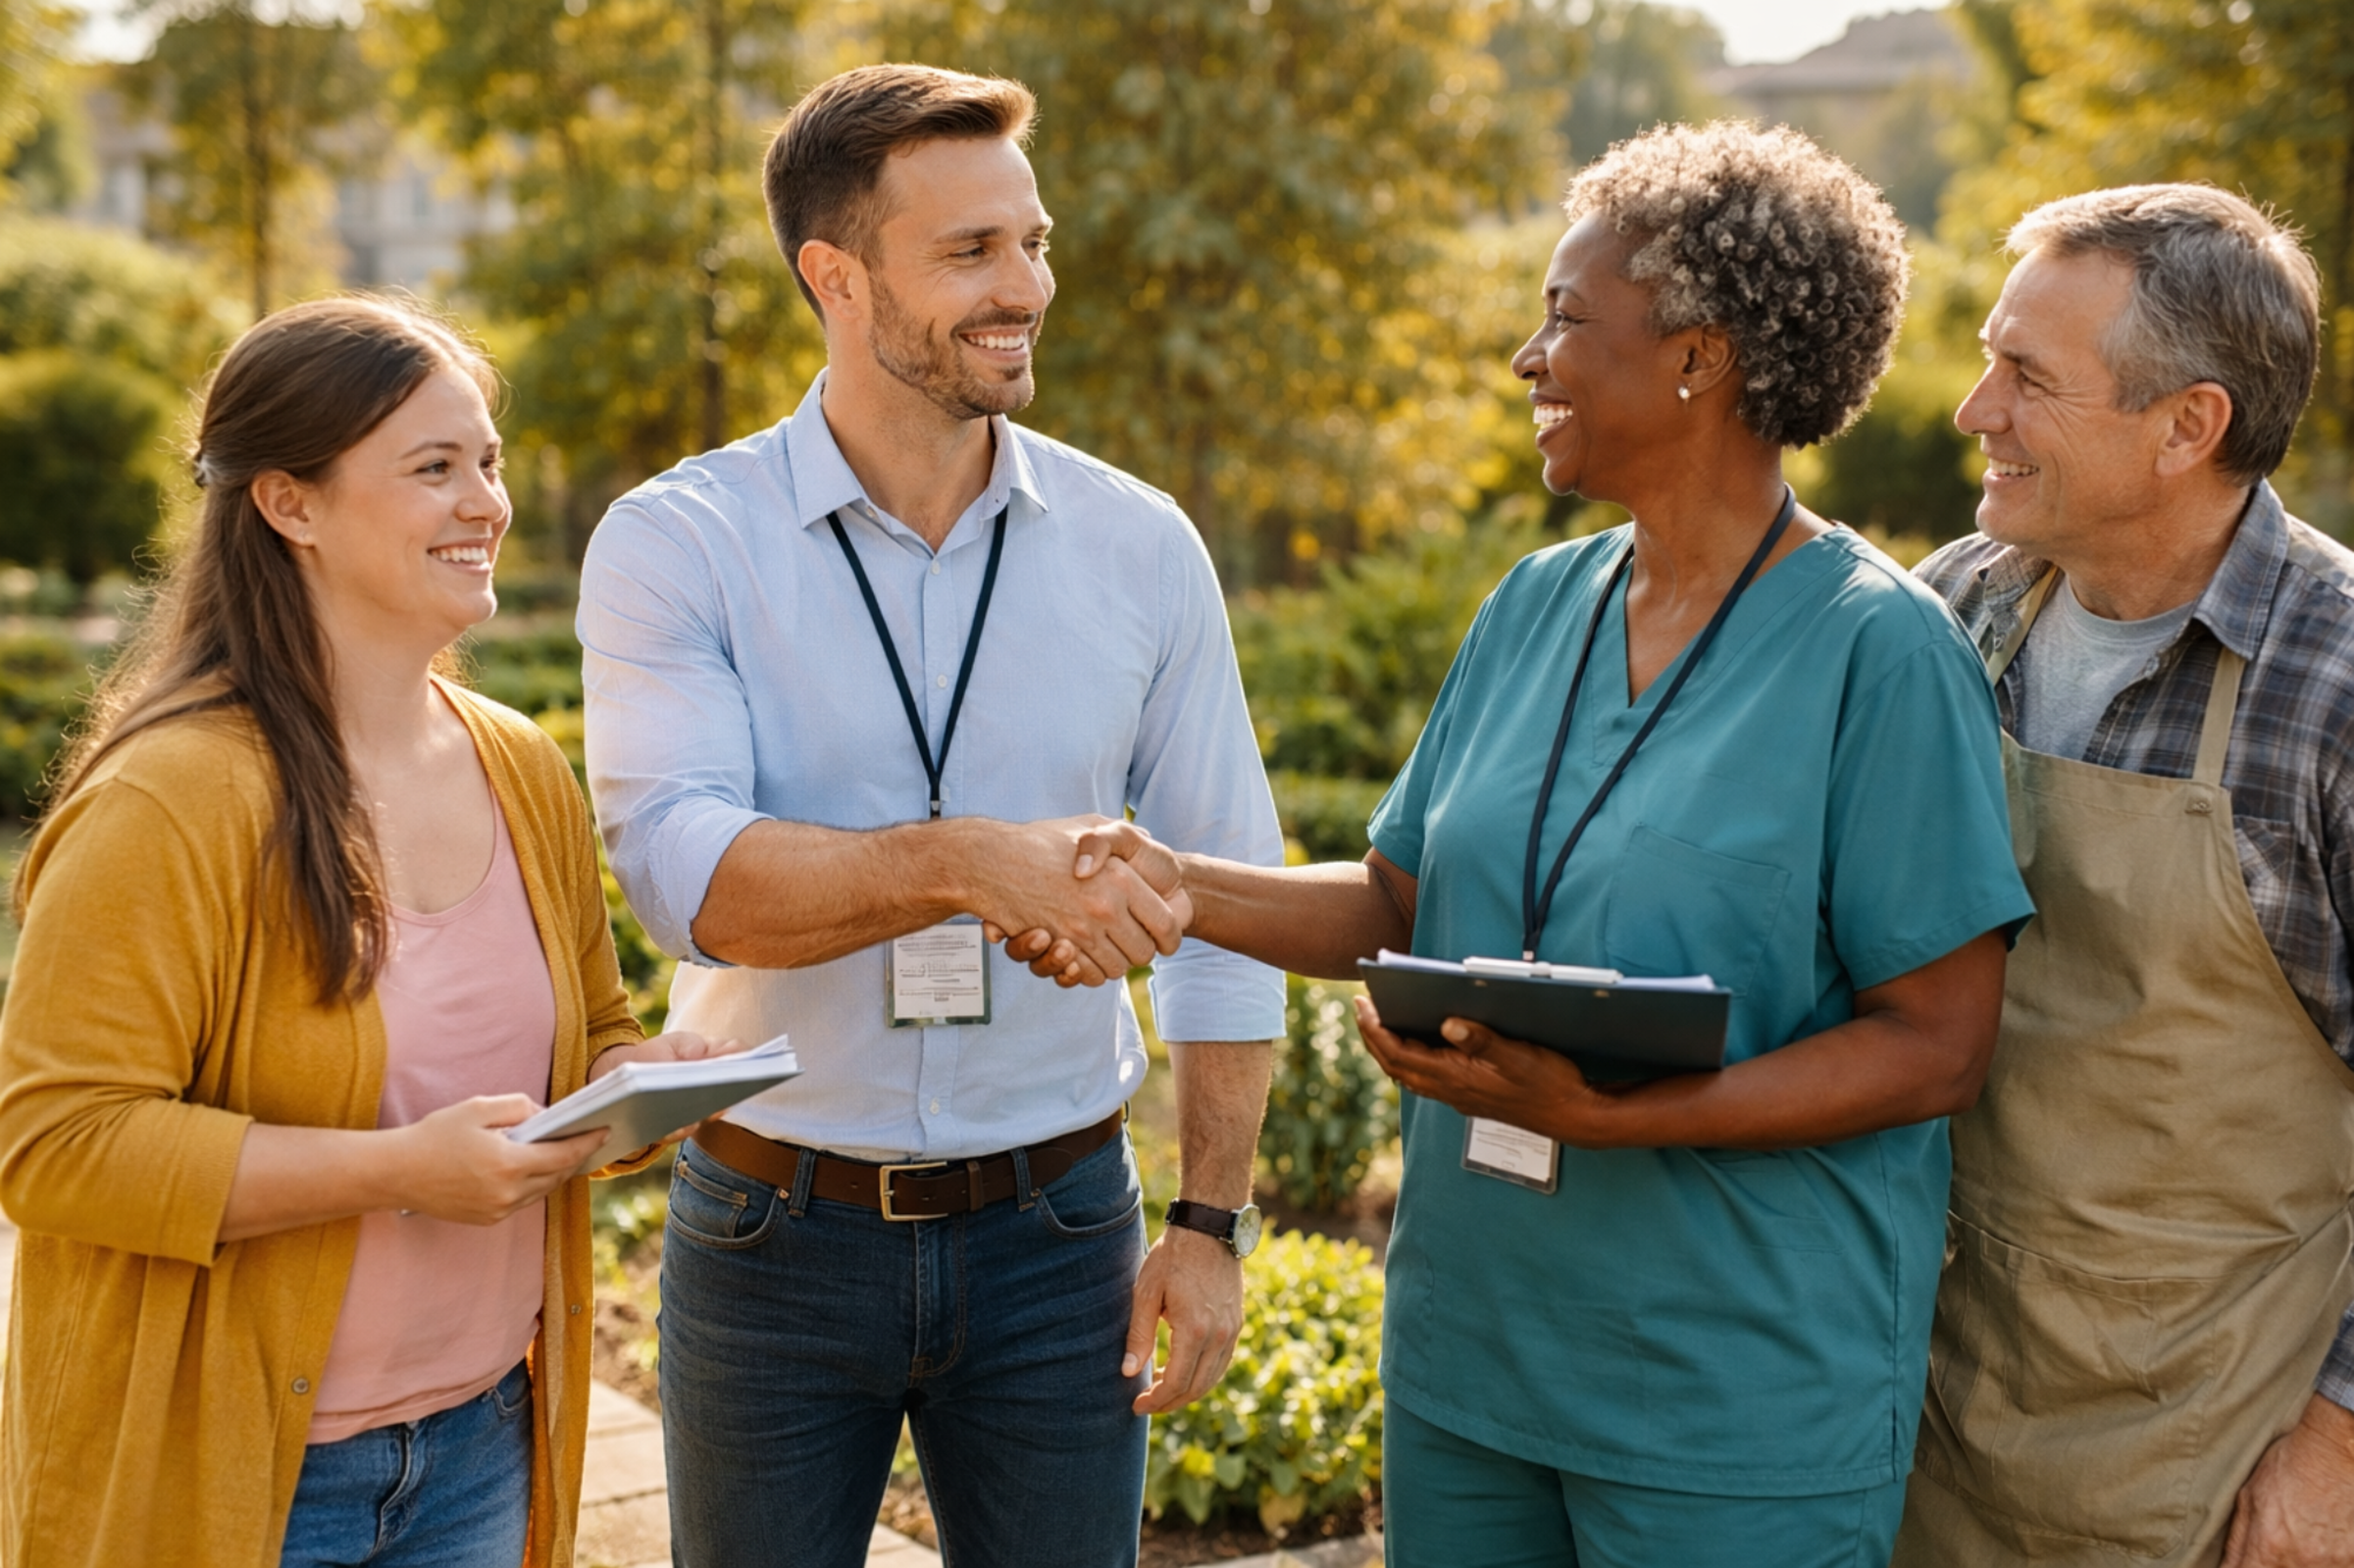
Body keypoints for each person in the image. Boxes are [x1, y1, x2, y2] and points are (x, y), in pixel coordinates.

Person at [1023, 120, 2036, 1566]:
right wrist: (1171, 884)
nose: (1529, 357)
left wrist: (1625, 1116)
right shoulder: (1535, 603)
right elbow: (1396, 901)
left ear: (1699, 357)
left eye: (1567, 318)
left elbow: (1940, 1042)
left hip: (1730, 1407)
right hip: (1477, 1365)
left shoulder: (1881, 654)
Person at [575, 65, 1285, 1568]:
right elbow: (688, 879)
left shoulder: (1142, 545)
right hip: (771, 1234)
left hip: (1064, 1239)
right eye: (970, 253)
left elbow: (1233, 902)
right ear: (833, 276)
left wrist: (1210, 1226)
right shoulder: (675, 543)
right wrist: (978, 864)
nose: (1023, 286)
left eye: (1032, 242)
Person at [0, 296, 733, 1568]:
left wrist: (631, 1089)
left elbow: (591, 1039)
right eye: (434, 467)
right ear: (291, 504)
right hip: (239, 1469)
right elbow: (56, 1143)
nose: (486, 502)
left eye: (490, 461)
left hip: (481, 1442)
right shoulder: (168, 797)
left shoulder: (519, 769)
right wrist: (394, 1170)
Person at [1896, 186, 2354, 1568]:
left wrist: (2340, 1440)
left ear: (2187, 427)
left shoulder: (2332, 684)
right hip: (1941, 1405)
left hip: (2213, 1457)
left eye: (2027, 377)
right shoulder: (1954, 614)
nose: (1976, 409)